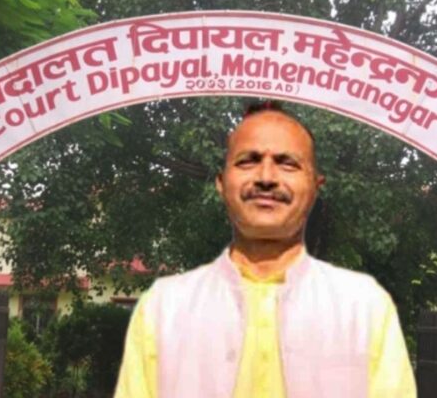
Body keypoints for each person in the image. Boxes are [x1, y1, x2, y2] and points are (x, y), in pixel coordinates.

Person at [115, 101, 416, 397]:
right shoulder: (164, 308)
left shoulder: (364, 308)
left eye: (288, 163)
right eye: (248, 161)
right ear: (221, 182)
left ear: (315, 187)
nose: (266, 178)